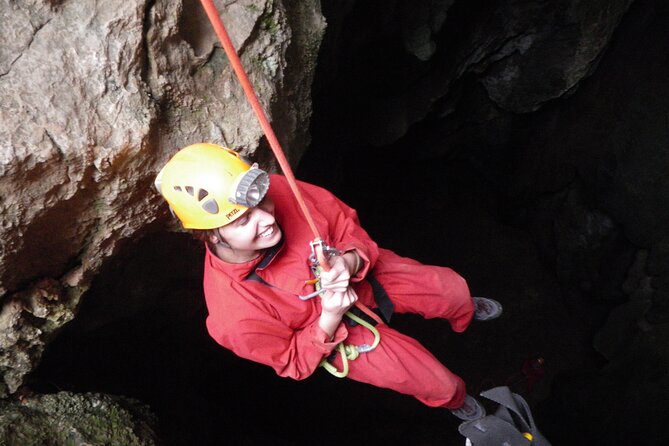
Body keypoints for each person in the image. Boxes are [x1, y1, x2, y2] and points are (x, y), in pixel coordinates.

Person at [154, 143, 502, 421]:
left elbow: (344, 222)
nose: (266, 218)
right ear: (210, 237)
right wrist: (330, 317)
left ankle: (465, 313)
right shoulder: (232, 312)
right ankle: (457, 400)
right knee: (432, 381)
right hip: (334, 336)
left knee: (451, 289)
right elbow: (292, 362)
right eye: (243, 221)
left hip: (364, 276)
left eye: (261, 202)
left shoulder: (281, 190)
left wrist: (348, 259)